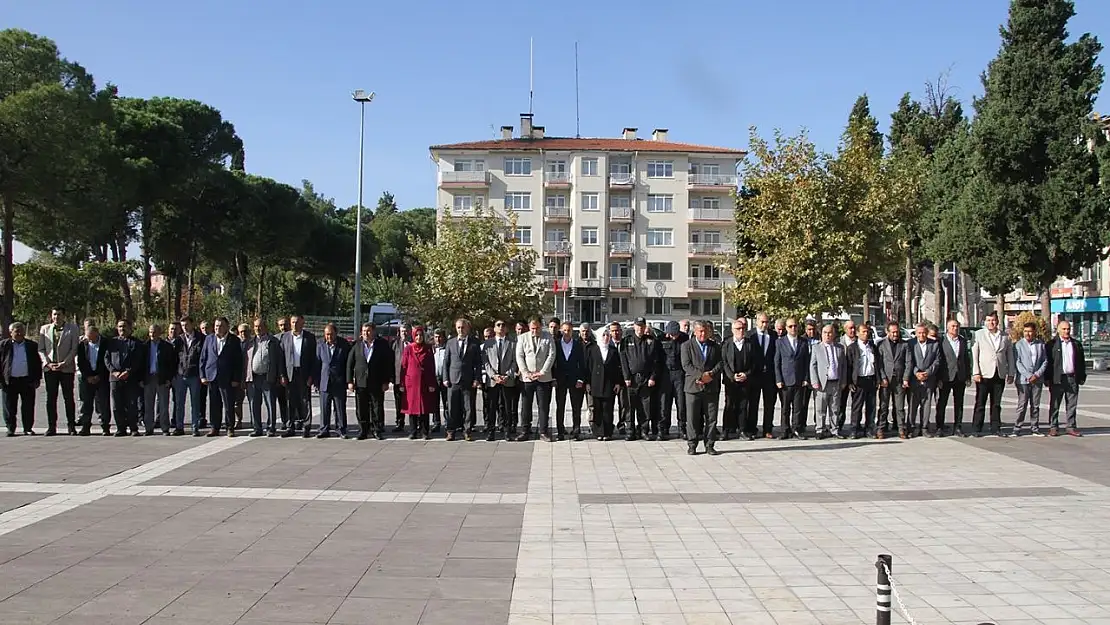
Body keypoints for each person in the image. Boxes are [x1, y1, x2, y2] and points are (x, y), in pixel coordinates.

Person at [681, 320, 723, 455]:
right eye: (700, 331)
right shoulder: (686, 346)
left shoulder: (715, 346)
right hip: (693, 387)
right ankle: (692, 444)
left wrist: (710, 374)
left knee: (711, 417)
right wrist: (700, 376)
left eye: (705, 331)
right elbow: (686, 365)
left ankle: (710, 444)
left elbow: (720, 362)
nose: (703, 334)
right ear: (695, 331)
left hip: (711, 387)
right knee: (692, 418)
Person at [347, 322, 394, 440]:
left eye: (368, 331)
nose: (365, 333)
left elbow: (388, 364)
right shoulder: (357, 345)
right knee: (361, 407)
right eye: (363, 331)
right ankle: (363, 430)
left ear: (373, 331)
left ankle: (377, 430)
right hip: (361, 381)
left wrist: (386, 381)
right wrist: (350, 381)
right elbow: (349, 363)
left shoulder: (382, 345)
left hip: (377, 382)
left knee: (377, 407)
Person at [38, 306, 80, 436]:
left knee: (68, 398)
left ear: (64, 315)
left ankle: (71, 426)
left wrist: (64, 363)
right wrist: (47, 363)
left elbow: (74, 348)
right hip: (50, 368)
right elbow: (41, 349)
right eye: (54, 314)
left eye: (59, 314)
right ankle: (51, 426)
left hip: (66, 368)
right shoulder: (44, 329)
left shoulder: (72, 329)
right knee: (51, 398)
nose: (57, 317)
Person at [621, 317, 664, 441]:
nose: (640, 328)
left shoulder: (650, 341)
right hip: (631, 379)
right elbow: (623, 360)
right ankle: (630, 431)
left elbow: (656, 362)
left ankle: (643, 430)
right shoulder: (627, 341)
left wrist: (652, 377)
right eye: (638, 326)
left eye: (642, 326)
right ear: (634, 326)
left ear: (645, 327)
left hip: (646, 379)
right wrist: (626, 377)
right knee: (630, 406)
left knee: (645, 407)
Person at [199, 317, 243, 437]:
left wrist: (236, 378)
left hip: (228, 378)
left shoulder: (234, 340)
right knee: (214, 403)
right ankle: (215, 427)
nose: (218, 328)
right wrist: (203, 375)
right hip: (212, 376)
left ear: (227, 327)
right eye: (216, 326)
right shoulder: (209, 339)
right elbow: (203, 358)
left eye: (221, 326)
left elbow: (238, 361)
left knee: (229, 404)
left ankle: (230, 427)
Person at [971, 311, 1013, 437]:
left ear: (997, 322)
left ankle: (995, 427)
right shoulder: (979, 335)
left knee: (996, 403)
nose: (991, 323)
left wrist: (1010, 373)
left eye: (993, 320)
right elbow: (975, 354)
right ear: (985, 322)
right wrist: (976, 372)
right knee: (980, 402)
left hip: (999, 373)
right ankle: (977, 428)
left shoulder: (1005, 336)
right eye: (989, 320)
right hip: (984, 374)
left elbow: (1010, 356)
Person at [515, 317, 555, 441]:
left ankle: (543, 431)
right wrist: (526, 372)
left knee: (543, 406)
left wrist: (543, 372)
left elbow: (551, 354)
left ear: (541, 326)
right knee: (525, 406)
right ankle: (525, 431)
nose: (535, 330)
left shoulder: (548, 337)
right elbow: (519, 356)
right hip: (527, 378)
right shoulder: (522, 338)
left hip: (543, 377)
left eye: (537, 328)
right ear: (529, 327)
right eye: (532, 328)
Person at [442, 318, 482, 441]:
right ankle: (451, 431)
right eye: (458, 327)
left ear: (468, 328)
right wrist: (445, 378)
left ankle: (467, 431)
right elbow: (446, 362)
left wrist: (477, 379)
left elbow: (478, 364)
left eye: (463, 327)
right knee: (452, 407)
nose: (460, 330)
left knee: (468, 407)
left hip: (468, 380)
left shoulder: (474, 343)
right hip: (453, 380)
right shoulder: (450, 342)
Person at [0, 322, 42, 436]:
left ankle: (28, 428)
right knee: (9, 406)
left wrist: (37, 378)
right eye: (16, 331)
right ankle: (10, 428)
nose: (19, 333)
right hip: (9, 380)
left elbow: (37, 363)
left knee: (28, 406)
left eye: (21, 330)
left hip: (27, 380)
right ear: (10, 332)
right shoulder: (3, 345)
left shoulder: (31, 345)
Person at [245, 318, 284, 437]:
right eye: (256, 326)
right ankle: (257, 428)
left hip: (268, 377)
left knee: (270, 403)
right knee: (254, 404)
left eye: (260, 326)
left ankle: (271, 428)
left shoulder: (273, 341)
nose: (258, 328)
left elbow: (279, 360)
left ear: (266, 327)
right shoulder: (250, 342)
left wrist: (280, 375)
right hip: (253, 377)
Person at [1046, 319, 1086, 437]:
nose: (1066, 331)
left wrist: (1082, 376)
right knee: (1055, 404)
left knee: (1072, 404)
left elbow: (1081, 362)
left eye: (1068, 329)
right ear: (1058, 330)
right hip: (1057, 378)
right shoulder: (1051, 344)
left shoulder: (1076, 344)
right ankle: (1053, 427)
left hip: (1072, 378)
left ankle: (1071, 426)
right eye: (1064, 329)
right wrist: (1047, 378)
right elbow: (1048, 362)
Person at [280, 315, 317, 437]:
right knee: (291, 400)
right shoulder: (285, 337)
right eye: (292, 322)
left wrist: (311, 375)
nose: (294, 324)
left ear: (302, 323)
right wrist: (282, 375)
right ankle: (291, 426)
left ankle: (306, 427)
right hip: (290, 373)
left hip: (304, 373)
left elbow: (314, 359)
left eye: (297, 322)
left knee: (305, 400)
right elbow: (281, 358)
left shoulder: (309, 338)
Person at [774, 317, 811, 440]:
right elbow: (777, 362)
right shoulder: (780, 342)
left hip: (799, 380)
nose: (793, 328)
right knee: (785, 408)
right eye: (790, 326)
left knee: (798, 407)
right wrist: (778, 379)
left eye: (795, 326)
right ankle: (784, 430)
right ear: (786, 328)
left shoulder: (803, 342)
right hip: (785, 381)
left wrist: (806, 378)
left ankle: (797, 429)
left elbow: (806, 362)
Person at [106, 319, 144, 437]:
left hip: (130, 378)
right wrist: (114, 371)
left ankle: (133, 428)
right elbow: (106, 359)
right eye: (120, 327)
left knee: (131, 404)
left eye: (124, 326)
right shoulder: (111, 342)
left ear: (130, 328)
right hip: (115, 378)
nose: (122, 329)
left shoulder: (136, 343)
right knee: (117, 405)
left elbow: (138, 360)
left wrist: (129, 371)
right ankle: (120, 428)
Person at [482, 320, 518, 441]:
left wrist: (507, 375)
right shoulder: (488, 343)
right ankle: (491, 431)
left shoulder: (512, 343)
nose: (501, 327)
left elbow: (515, 362)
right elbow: (485, 362)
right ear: (494, 328)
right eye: (498, 325)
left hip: (507, 380)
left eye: (503, 325)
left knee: (507, 407)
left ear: (506, 329)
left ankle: (507, 432)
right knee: (492, 407)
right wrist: (494, 376)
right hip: (493, 381)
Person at [400, 326, 438, 440]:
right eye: (416, 335)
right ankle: (413, 431)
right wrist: (402, 383)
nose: (419, 337)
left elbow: (432, 366)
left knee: (424, 408)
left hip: (425, 382)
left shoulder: (428, 348)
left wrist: (432, 383)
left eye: (421, 335)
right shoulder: (408, 349)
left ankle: (425, 431)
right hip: (411, 383)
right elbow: (404, 366)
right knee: (412, 408)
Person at [585, 328, 623, 441]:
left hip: (609, 384)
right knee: (597, 409)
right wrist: (587, 382)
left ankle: (607, 432)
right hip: (595, 383)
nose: (606, 338)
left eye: (608, 335)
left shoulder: (613, 351)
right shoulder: (592, 349)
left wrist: (617, 383)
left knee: (608, 409)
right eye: (604, 335)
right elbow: (588, 367)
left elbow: (618, 368)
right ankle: (598, 432)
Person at [810, 324, 846, 440]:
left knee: (835, 408)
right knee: (820, 408)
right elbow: (813, 365)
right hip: (822, 383)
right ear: (821, 334)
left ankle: (834, 430)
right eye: (825, 332)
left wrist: (843, 380)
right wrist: (814, 381)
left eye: (830, 332)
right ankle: (820, 429)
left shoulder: (840, 348)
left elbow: (843, 366)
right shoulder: (816, 348)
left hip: (836, 382)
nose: (827, 335)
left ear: (834, 334)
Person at [936, 319, 971, 437]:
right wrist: (938, 378)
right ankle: (939, 426)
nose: (955, 328)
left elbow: (966, 359)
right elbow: (939, 360)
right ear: (947, 328)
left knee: (959, 403)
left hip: (960, 376)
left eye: (957, 326)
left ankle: (958, 427)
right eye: (952, 326)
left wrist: (968, 376)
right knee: (942, 403)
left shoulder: (963, 341)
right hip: (945, 377)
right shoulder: (941, 341)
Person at [904, 323, 940, 439]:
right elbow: (909, 361)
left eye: (924, 332)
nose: (922, 335)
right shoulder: (910, 344)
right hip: (914, 379)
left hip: (929, 379)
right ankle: (912, 427)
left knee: (927, 404)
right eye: (919, 333)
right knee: (913, 405)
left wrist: (928, 373)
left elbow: (937, 361)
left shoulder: (934, 345)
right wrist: (916, 373)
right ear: (916, 333)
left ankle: (924, 427)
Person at [845, 324, 881, 438]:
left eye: (868, 332)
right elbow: (848, 366)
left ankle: (869, 428)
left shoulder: (873, 346)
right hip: (858, 381)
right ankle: (854, 429)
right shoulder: (852, 348)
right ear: (857, 333)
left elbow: (877, 364)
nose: (866, 334)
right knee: (857, 407)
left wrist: (878, 380)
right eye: (864, 332)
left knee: (871, 406)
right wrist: (850, 382)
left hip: (871, 379)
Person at [552, 321, 587, 441]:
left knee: (576, 406)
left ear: (572, 331)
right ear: (561, 331)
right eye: (565, 330)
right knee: (560, 406)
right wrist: (554, 378)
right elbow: (553, 363)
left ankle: (576, 430)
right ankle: (560, 431)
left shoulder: (578, 345)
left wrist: (580, 379)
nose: (567, 333)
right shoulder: (556, 344)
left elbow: (582, 364)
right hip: (560, 380)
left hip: (574, 379)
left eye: (569, 330)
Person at [1013, 321, 1048, 437]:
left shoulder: (1040, 344)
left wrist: (1037, 375)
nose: (1028, 334)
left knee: (1035, 405)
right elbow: (1017, 362)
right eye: (1025, 331)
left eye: (1030, 331)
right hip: (1023, 380)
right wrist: (1028, 375)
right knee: (1022, 404)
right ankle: (1017, 427)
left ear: (1034, 332)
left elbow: (1044, 361)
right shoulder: (1018, 345)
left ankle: (1035, 428)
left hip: (1037, 379)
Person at [315, 323, 350, 439]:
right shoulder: (320, 344)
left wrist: (348, 380)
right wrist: (317, 381)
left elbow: (348, 364)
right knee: (324, 407)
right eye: (326, 334)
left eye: (330, 334)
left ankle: (341, 429)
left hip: (339, 381)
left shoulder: (344, 345)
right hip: (324, 381)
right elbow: (317, 363)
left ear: (336, 333)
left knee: (339, 408)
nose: (328, 337)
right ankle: (324, 429)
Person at [142, 323, 178, 436]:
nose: (152, 334)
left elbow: (171, 364)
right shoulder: (144, 346)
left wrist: (169, 378)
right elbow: (140, 364)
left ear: (160, 333)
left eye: (155, 332)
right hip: (148, 378)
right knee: (148, 405)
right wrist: (141, 379)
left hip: (162, 378)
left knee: (163, 404)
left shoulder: (166, 346)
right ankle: (148, 428)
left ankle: (165, 428)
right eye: (151, 332)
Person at [722, 318, 753, 440]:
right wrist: (731, 376)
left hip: (745, 380)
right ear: (732, 330)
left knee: (743, 405)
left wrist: (746, 374)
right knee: (729, 405)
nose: (741, 331)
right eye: (738, 329)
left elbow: (754, 363)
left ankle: (742, 430)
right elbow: (724, 362)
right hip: (731, 380)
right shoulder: (726, 344)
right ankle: (726, 430)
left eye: (742, 328)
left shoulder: (750, 344)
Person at [76, 324, 110, 436]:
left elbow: (108, 361)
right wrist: (88, 376)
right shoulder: (82, 345)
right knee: (86, 403)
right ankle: (85, 426)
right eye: (88, 338)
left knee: (103, 403)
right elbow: (81, 362)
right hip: (88, 378)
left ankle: (105, 426)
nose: (90, 340)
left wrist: (99, 376)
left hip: (102, 377)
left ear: (97, 334)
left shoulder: (106, 343)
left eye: (92, 338)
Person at [748, 313, 778, 438]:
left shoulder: (773, 335)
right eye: (762, 322)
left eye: (767, 322)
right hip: (754, 375)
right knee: (753, 403)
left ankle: (768, 429)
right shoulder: (750, 336)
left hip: (769, 376)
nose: (764, 325)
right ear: (757, 322)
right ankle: (752, 428)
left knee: (769, 404)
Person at [175, 316, 206, 436]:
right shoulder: (179, 339)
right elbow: (174, 357)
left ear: (192, 324)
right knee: (179, 402)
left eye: (187, 325)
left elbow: (203, 357)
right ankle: (179, 427)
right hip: (181, 374)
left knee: (195, 402)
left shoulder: (201, 338)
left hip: (194, 375)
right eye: (182, 326)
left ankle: (195, 427)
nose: (185, 328)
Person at [877, 321, 908, 438]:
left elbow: (908, 362)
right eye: (893, 332)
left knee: (899, 407)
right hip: (886, 380)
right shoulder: (881, 345)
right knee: (883, 406)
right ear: (887, 332)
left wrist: (905, 378)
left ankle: (901, 429)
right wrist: (883, 378)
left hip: (899, 380)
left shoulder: (904, 345)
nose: (895, 334)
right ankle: (881, 428)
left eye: (897, 332)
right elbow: (879, 363)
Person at [659, 321, 688, 441]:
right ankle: (664, 429)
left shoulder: (685, 338)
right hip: (665, 374)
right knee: (664, 404)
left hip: (679, 374)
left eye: (675, 334)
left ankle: (682, 428)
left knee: (681, 403)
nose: (673, 337)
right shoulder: (661, 339)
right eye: (671, 334)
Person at [392, 322, 411, 433]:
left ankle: (416, 423)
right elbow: (391, 361)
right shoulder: (395, 344)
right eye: (403, 331)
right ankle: (400, 423)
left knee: (412, 401)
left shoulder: (414, 344)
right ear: (399, 332)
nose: (404, 333)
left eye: (406, 331)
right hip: (398, 378)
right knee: (399, 402)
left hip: (412, 379)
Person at [432, 329, 448, 433]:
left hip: (445, 379)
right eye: (436, 337)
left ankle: (448, 423)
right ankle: (436, 423)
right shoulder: (431, 349)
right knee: (434, 403)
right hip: (434, 379)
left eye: (440, 337)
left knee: (446, 403)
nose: (438, 339)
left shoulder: (448, 348)